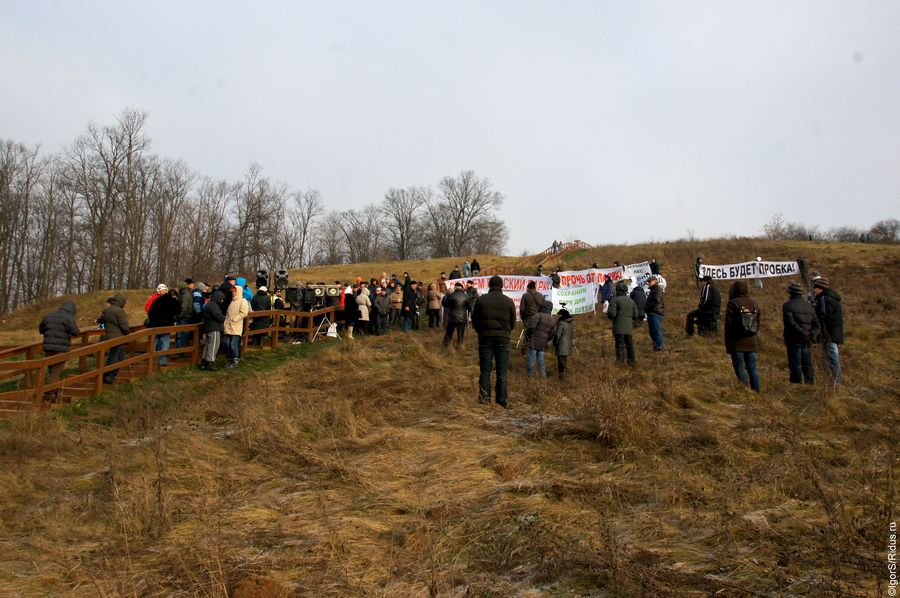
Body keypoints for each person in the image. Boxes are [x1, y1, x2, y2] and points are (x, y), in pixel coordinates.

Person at [472, 275, 516, 407]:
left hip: (485, 338)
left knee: (485, 370)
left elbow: (474, 320)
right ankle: (501, 400)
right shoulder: (509, 301)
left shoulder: (481, 300)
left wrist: (481, 331)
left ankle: (484, 399)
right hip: (503, 338)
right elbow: (512, 322)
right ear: (501, 286)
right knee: (501, 370)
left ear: (489, 285)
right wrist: (506, 332)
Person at [724, 280, 761, 393]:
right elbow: (758, 323)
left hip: (737, 342)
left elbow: (728, 325)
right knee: (752, 369)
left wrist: (728, 343)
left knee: (740, 368)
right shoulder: (754, 303)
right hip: (751, 342)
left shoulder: (733, 303)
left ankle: (745, 391)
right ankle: (756, 391)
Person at [782, 281, 820, 384]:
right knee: (807, 363)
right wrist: (811, 335)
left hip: (793, 338)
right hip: (806, 340)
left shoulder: (787, 306)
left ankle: (796, 384)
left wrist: (803, 332)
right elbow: (817, 325)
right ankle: (810, 383)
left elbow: (791, 323)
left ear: (790, 292)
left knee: (795, 364)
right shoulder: (809, 307)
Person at [38, 301, 80, 393]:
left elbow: (41, 329)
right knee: (56, 371)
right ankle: (49, 392)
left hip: (48, 347)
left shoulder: (48, 315)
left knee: (51, 369)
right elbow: (75, 332)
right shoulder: (69, 318)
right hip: (61, 348)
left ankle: (55, 390)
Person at [812, 277, 844, 385]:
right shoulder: (831, 298)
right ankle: (832, 381)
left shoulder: (825, 299)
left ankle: (836, 382)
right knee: (830, 358)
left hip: (829, 335)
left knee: (832, 358)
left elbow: (825, 317)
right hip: (832, 334)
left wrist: (824, 333)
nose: (813, 291)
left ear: (819, 288)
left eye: (814, 289)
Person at [147, 285, 180, 366]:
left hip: (155, 325)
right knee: (164, 342)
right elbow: (178, 310)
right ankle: (162, 361)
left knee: (155, 342)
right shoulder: (172, 300)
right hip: (167, 324)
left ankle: (152, 360)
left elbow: (150, 312)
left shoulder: (156, 300)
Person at [100, 294, 130, 384]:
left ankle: (109, 375)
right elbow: (124, 326)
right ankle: (107, 375)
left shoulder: (107, 310)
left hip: (109, 334)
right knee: (116, 357)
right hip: (118, 336)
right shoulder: (119, 311)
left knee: (116, 356)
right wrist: (127, 332)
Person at [607, 281, 638, 365]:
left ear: (617, 290)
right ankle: (631, 361)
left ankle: (620, 361)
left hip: (618, 326)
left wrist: (610, 316)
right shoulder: (631, 301)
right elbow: (636, 315)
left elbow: (611, 314)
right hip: (628, 327)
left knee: (619, 344)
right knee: (629, 344)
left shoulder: (615, 300)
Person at [200, 290, 226, 370]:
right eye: (222, 299)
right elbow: (218, 316)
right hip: (213, 328)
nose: (222, 300)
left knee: (208, 345)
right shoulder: (214, 305)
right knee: (214, 345)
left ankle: (204, 362)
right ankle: (209, 363)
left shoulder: (209, 304)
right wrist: (225, 317)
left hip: (208, 327)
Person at [224, 283, 249, 367]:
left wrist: (235, 319)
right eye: (232, 291)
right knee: (227, 344)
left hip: (236, 327)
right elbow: (227, 314)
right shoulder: (232, 302)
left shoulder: (243, 301)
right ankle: (229, 359)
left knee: (233, 345)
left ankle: (235, 359)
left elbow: (244, 313)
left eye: (234, 291)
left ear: (238, 292)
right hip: (228, 327)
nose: (232, 292)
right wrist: (225, 323)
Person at [527, 301, 554, 377]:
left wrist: (528, 336)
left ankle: (531, 377)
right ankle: (543, 376)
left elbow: (531, 327)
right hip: (543, 343)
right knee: (541, 360)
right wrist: (546, 340)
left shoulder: (537, 315)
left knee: (532, 360)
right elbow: (552, 334)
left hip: (533, 341)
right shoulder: (552, 319)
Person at [442, 282, 469, 348]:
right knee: (460, 334)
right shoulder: (466, 296)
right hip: (462, 317)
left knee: (449, 333)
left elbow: (445, 304)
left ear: (455, 287)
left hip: (452, 317)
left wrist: (445, 297)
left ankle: (446, 346)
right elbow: (469, 307)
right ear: (461, 288)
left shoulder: (451, 295)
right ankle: (459, 347)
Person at [645, 275, 665, 351]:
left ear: (655, 281)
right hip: (652, 313)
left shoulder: (657, 289)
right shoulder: (653, 290)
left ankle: (659, 347)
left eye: (650, 282)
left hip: (655, 313)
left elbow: (656, 301)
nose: (648, 283)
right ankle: (656, 346)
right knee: (652, 332)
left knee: (656, 331)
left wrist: (647, 307)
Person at [552, 307, 574, 378]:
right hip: (569, 343)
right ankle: (563, 374)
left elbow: (558, 335)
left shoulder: (561, 323)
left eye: (560, 315)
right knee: (564, 359)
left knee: (561, 361)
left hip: (562, 344)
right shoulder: (570, 322)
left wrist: (555, 342)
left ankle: (562, 376)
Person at [176, 278, 196, 348]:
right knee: (183, 334)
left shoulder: (184, 295)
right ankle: (182, 350)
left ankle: (180, 351)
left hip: (184, 318)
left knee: (181, 335)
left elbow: (184, 308)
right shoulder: (188, 293)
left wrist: (178, 316)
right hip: (187, 317)